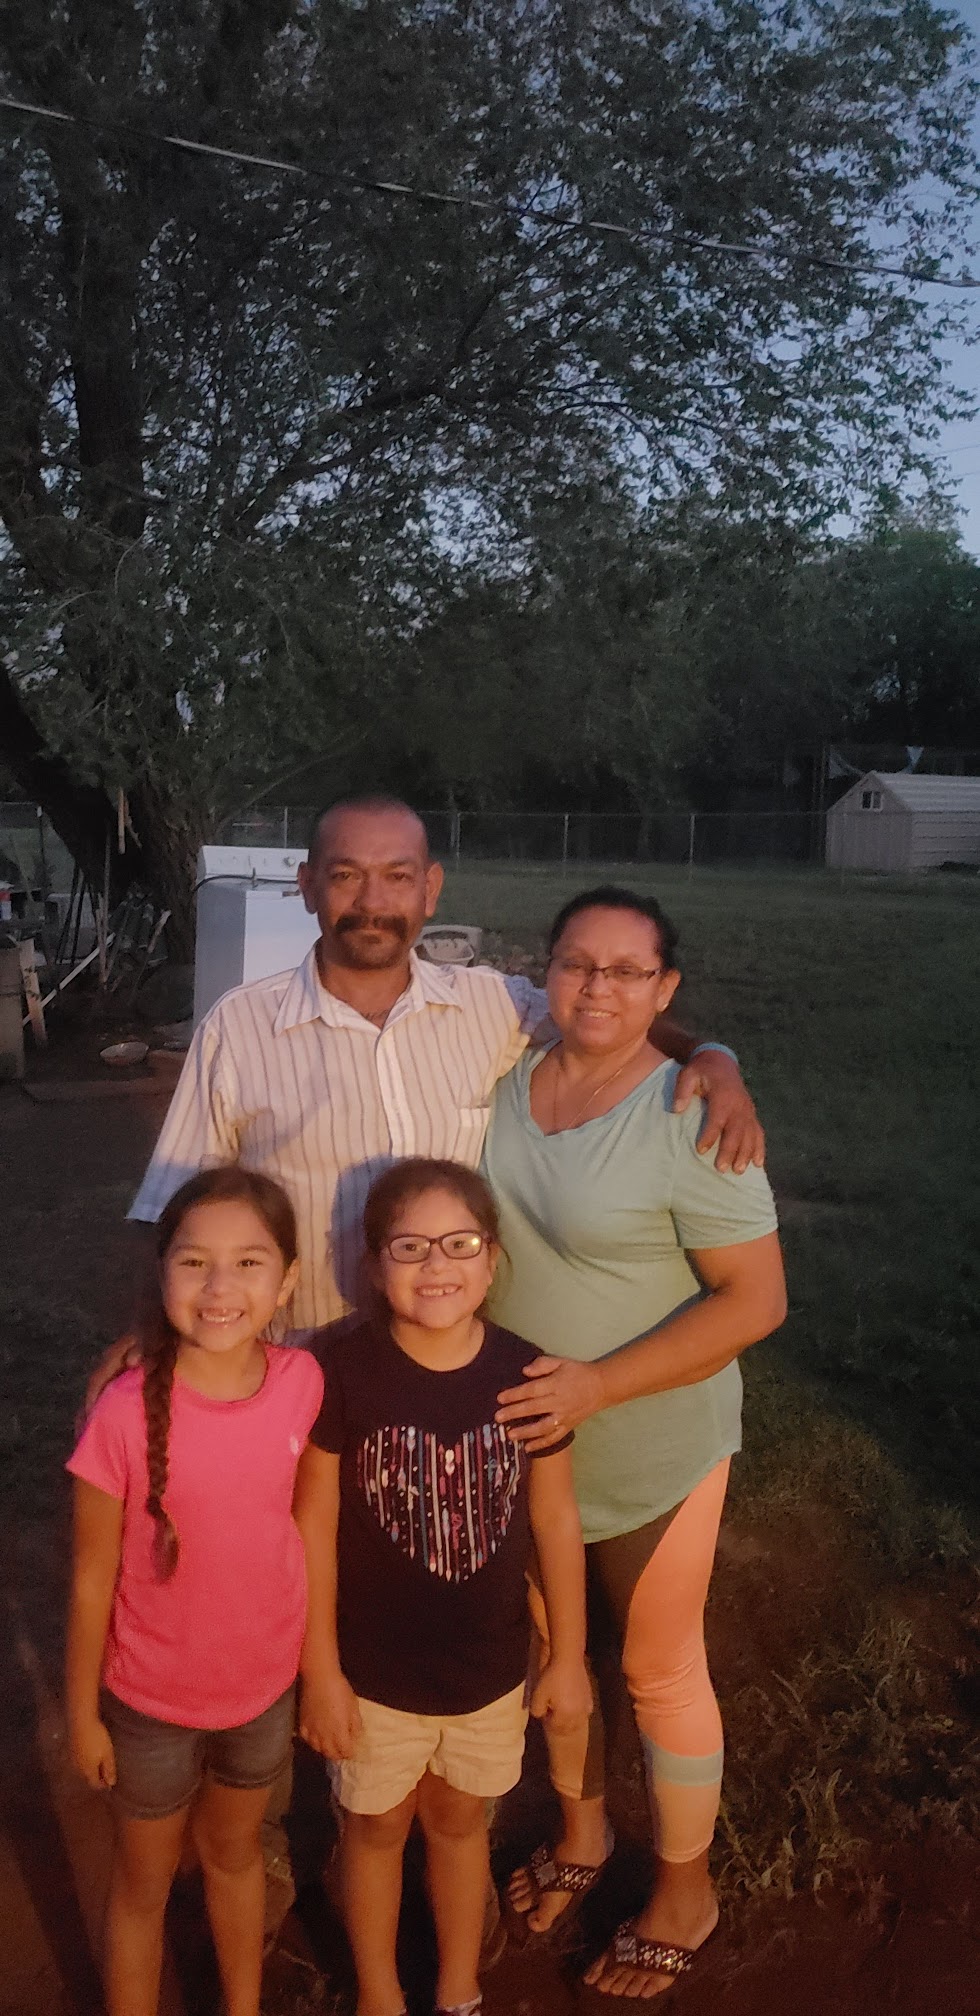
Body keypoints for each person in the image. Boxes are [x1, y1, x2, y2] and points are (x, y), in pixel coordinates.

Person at [125, 797, 765, 1332]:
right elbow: (171, 1214)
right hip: (299, 1360)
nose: (372, 901)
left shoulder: (490, 1006)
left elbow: (597, 1013)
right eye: (346, 875)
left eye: (398, 877)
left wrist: (711, 1056)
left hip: (445, 1364)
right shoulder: (240, 1028)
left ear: (430, 890)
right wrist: (148, 1345)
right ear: (308, 886)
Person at [480, 886, 787, 2001]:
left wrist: (600, 1383)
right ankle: (582, 1833)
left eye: (626, 971)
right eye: (576, 963)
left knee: (657, 1668)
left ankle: (684, 1892)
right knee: (550, 1649)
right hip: (531, 1447)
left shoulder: (692, 1117)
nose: (596, 987)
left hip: (653, 1441)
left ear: (664, 989)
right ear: (545, 970)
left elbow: (755, 1302)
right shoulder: (505, 1077)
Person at [293, 1159, 593, 2016]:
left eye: (459, 1244)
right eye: (410, 1247)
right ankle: (380, 1993)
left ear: (491, 1260)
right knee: (376, 1828)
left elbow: (555, 1522)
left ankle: (460, 1986)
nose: (436, 1266)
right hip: (370, 1675)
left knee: (461, 1823)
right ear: (373, 1263)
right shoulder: (341, 1372)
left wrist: (567, 1658)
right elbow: (311, 1526)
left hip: (488, 1674)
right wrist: (321, 1671)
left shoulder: (527, 1376)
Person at [65, 1169, 323, 2016]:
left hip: (262, 1694)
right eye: (193, 1262)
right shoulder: (121, 1414)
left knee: (235, 1854)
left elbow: (299, 1525)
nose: (220, 1288)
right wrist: (82, 1713)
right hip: (149, 1705)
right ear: (162, 1272)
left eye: (249, 1262)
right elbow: (92, 1575)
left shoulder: (301, 1382)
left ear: (287, 1279)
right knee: (143, 1885)